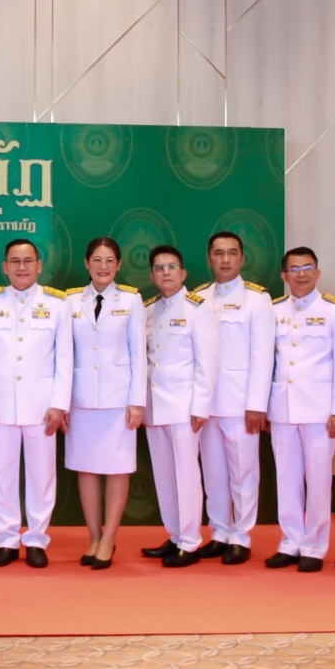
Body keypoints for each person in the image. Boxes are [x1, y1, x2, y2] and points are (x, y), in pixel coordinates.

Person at [0, 239, 69, 568]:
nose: (22, 267)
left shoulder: (57, 304)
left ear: (39, 266)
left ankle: (37, 539)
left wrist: (59, 404)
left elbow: (64, 359)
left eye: (28, 261)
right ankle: (7, 539)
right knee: (1, 474)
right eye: (15, 261)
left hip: (42, 407)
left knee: (42, 476)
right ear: (5, 267)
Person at [265, 247, 335, 573]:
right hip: (282, 408)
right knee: (286, 479)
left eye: (307, 268)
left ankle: (314, 546)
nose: (301, 274)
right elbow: (267, 362)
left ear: (317, 273)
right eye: (294, 269)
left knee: (318, 481)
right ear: (284, 276)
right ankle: (290, 542)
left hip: (319, 412)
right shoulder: (273, 310)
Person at [64, 237, 148, 570]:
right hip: (81, 399)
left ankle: (110, 537)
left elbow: (138, 353)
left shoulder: (131, 300)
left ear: (119, 264)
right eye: (97, 260)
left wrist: (136, 401)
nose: (103, 266)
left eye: (109, 260)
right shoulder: (70, 300)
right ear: (86, 263)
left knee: (117, 469)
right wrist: (63, 402)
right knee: (85, 468)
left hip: (118, 401)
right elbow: (64, 355)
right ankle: (93, 536)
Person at [195, 232, 274, 564]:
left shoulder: (257, 300)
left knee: (243, 473)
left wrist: (256, 404)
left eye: (231, 253)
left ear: (242, 258)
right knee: (213, 473)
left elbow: (263, 356)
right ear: (209, 258)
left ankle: (241, 536)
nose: (225, 260)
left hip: (240, 403)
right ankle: (219, 532)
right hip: (204, 404)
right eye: (218, 253)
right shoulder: (198, 298)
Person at [140, 245, 217, 566]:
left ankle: (190, 540)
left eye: (172, 266)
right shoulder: (147, 310)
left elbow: (207, 362)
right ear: (152, 275)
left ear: (183, 273)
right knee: (164, 476)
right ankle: (174, 535)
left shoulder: (199, 308)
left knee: (186, 476)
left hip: (184, 407)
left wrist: (200, 406)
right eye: (160, 268)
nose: (166, 272)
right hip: (154, 406)